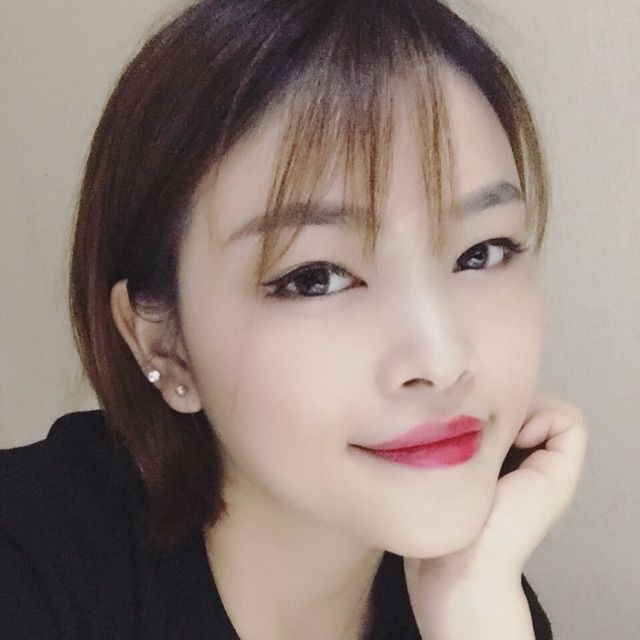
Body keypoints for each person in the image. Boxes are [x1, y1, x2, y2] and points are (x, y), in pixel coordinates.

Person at [0, 1, 588, 638]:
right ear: (165, 344)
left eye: (483, 252)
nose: (442, 362)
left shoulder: (479, 594)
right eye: (316, 278)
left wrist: (473, 604)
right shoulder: (30, 571)